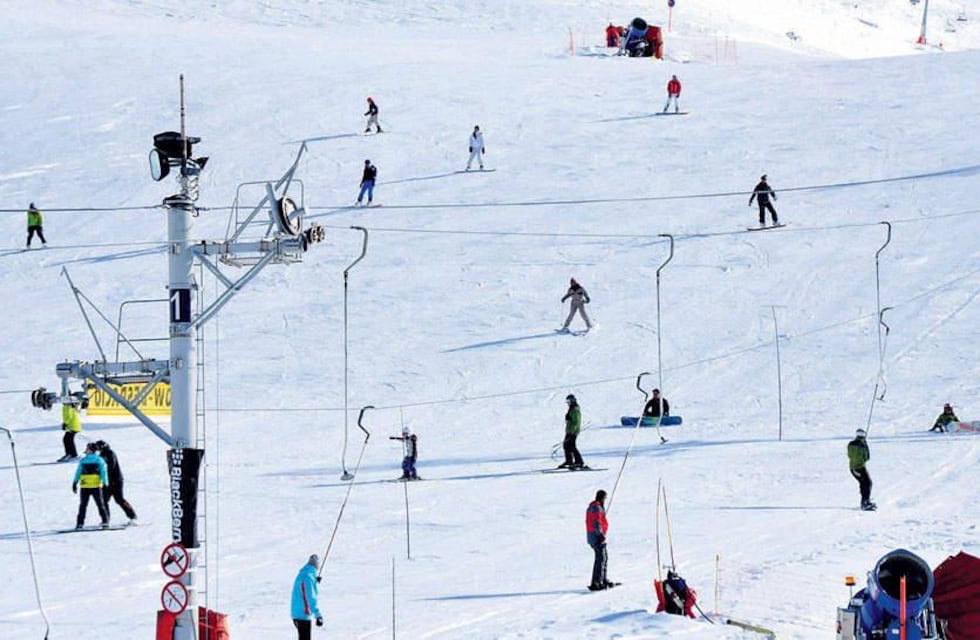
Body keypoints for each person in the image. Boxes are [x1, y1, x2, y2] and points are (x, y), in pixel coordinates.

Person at [94, 440, 137, 522]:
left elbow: (111, 466)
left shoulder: (110, 453)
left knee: (119, 499)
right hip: (107, 481)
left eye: (99, 448)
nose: (98, 450)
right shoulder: (101, 455)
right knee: (104, 500)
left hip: (116, 480)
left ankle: (132, 516)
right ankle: (106, 519)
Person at [72, 442, 110, 529]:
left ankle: (81, 523)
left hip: (94, 486)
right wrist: (75, 482)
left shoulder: (98, 460)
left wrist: (105, 483)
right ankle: (81, 523)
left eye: (88, 448)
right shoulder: (85, 460)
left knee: (86, 505)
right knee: (93, 505)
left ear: (92, 450)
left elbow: (103, 473)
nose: (86, 450)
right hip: (87, 486)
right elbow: (78, 472)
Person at [291, 554, 323, 640]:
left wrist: (315, 581)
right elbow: (310, 598)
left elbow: (304, 590)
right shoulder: (308, 578)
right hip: (303, 615)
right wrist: (318, 615)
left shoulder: (304, 574)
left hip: (297, 614)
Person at [586, 489, 613, 590]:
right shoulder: (597, 508)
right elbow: (597, 522)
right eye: (605, 498)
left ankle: (602, 579)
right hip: (597, 537)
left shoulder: (592, 507)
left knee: (603, 558)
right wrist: (600, 535)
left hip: (592, 537)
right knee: (601, 559)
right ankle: (597, 582)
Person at [847, 428, 875, 511]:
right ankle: (865, 503)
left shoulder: (850, 444)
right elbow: (867, 458)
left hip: (852, 469)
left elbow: (849, 455)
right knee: (868, 483)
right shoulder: (863, 445)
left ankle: (865, 501)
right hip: (860, 468)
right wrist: (865, 446)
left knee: (863, 483)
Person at [559, 394, 585, 469]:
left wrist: (572, 431)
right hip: (569, 430)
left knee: (571, 446)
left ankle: (579, 461)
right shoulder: (571, 409)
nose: (568, 403)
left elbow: (576, 421)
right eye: (567, 401)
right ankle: (569, 461)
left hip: (573, 431)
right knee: (566, 446)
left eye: (569, 401)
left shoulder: (575, 409)